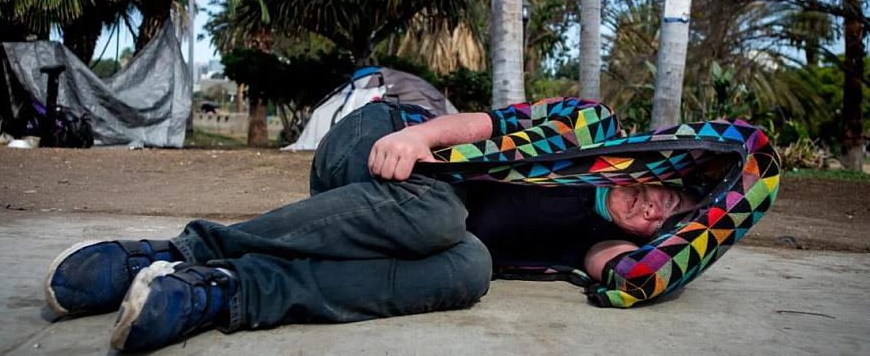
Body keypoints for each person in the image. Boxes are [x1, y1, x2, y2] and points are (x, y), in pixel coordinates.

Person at [44, 99, 696, 352]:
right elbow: (483, 125)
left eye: (668, 213)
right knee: (444, 208)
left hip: (395, 229)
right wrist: (415, 136)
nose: (654, 205)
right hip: (379, 142)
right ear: (646, 164)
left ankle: (218, 290)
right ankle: (177, 248)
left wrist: (695, 238)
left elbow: (629, 273)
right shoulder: (591, 129)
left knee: (470, 267)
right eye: (660, 188)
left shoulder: (599, 243)